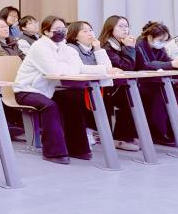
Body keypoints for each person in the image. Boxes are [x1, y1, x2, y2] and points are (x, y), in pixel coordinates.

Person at [13, 16, 113, 164]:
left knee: (74, 99)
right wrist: (70, 68)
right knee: (50, 106)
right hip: (27, 90)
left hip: (49, 90)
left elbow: (80, 68)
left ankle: (78, 149)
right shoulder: (39, 47)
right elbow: (53, 71)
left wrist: (105, 70)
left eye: (63, 29)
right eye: (57, 29)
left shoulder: (65, 47)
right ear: (46, 32)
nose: (61, 32)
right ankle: (53, 152)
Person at [65, 21, 135, 150]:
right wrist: (106, 70)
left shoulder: (92, 48)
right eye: (85, 31)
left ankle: (105, 135)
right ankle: (91, 133)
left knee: (125, 96)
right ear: (75, 35)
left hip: (91, 87)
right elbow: (80, 69)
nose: (90, 33)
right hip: (73, 88)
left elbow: (107, 66)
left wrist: (98, 49)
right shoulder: (70, 48)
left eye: (90, 30)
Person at [96, 16, 142, 150]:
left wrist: (133, 47)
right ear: (111, 28)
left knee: (138, 94)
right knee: (130, 97)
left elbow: (139, 65)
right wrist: (129, 48)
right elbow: (126, 67)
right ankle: (121, 138)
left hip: (119, 86)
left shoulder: (123, 44)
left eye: (126, 26)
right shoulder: (106, 47)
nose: (125, 29)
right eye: (120, 26)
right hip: (106, 88)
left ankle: (130, 135)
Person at [136, 21, 178, 146]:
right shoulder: (139, 45)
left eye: (165, 40)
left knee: (173, 93)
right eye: (161, 40)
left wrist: (177, 63)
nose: (163, 43)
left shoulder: (159, 48)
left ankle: (174, 132)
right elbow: (145, 65)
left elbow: (167, 61)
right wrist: (172, 64)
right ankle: (159, 133)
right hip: (141, 85)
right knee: (162, 95)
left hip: (156, 84)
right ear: (150, 37)